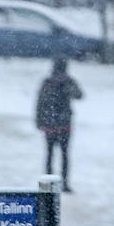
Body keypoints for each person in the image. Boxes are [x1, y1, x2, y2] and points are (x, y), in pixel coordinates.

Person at [35, 57, 83, 193]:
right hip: (54, 124)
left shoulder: (66, 82)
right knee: (53, 155)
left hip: (61, 125)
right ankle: (51, 184)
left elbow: (79, 95)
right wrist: (39, 120)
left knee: (61, 155)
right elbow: (40, 102)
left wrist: (39, 120)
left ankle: (63, 183)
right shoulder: (48, 82)